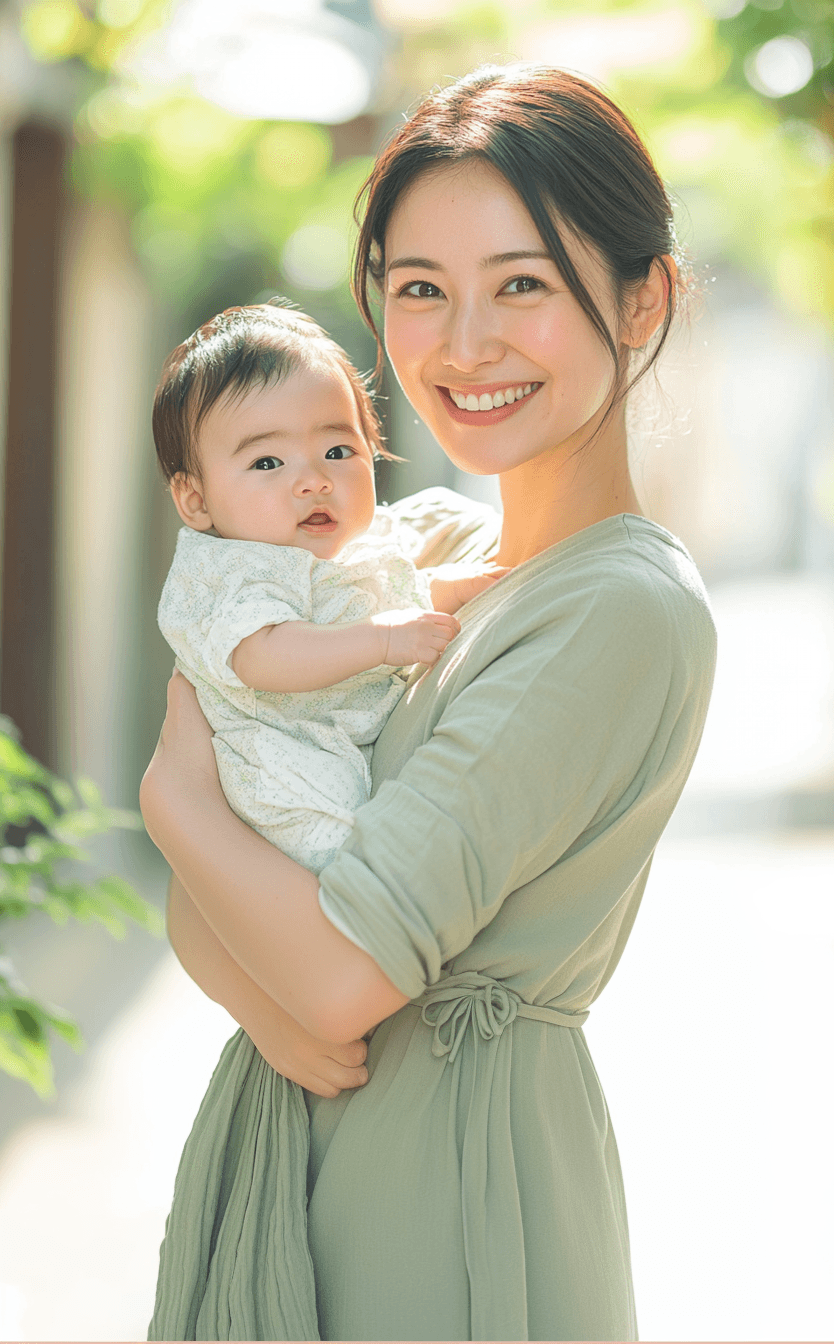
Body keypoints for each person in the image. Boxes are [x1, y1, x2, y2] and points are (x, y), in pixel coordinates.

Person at [140, 62, 717, 1343]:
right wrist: (253, 984)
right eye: (418, 291)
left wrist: (170, 802)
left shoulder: (613, 608)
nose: (462, 346)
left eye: (521, 283)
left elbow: (338, 973)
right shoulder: (409, 547)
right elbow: (209, 918)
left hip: (450, 1196)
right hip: (297, 1146)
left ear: (640, 298)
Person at [154, 301, 500, 873]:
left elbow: (376, 595)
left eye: (338, 452)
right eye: (267, 462)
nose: (314, 480)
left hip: (338, 751)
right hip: (282, 777)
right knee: (348, 863)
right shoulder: (232, 570)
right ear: (196, 500)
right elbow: (264, 655)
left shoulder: (345, 552)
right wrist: (381, 641)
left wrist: (448, 588)